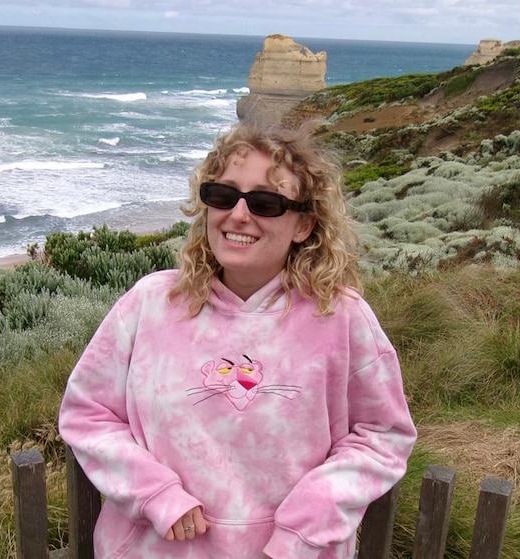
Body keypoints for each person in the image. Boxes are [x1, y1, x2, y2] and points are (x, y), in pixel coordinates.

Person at [58, 120, 417, 559]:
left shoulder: (341, 316)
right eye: (223, 196)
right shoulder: (150, 302)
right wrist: (154, 494)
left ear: (304, 224)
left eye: (266, 202)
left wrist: (303, 527)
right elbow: (87, 414)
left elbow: (383, 436)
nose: (239, 215)